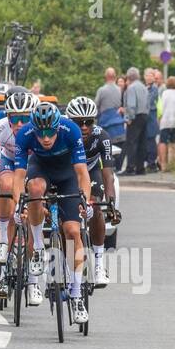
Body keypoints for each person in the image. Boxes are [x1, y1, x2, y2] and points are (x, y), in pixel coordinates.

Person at [16, 101, 92, 321]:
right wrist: (19, 205)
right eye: (41, 133)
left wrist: (84, 201)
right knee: (35, 188)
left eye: (50, 132)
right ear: (34, 130)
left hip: (67, 174)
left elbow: (82, 173)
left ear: (58, 127)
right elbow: (19, 177)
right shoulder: (25, 134)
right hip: (40, 169)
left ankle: (76, 294)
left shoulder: (71, 130)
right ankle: (39, 245)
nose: (46, 138)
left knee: (73, 232)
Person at [0, 88, 37, 293]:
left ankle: (33, 279)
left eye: (24, 119)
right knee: (2, 198)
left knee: (35, 205)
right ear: (7, 116)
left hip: (31, 163)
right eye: (14, 119)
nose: (18, 124)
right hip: (8, 161)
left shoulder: (37, 130)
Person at [65, 95, 114, 287]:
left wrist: (111, 202)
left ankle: (99, 265)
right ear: (70, 121)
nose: (84, 127)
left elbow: (108, 174)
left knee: (97, 209)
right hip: (68, 171)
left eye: (88, 122)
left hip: (91, 172)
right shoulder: (63, 134)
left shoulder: (101, 136)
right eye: (79, 122)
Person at [121, 67, 149, 176]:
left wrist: (128, 118)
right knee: (142, 143)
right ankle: (140, 168)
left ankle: (130, 168)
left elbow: (131, 105)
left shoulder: (131, 88)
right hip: (144, 116)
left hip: (135, 117)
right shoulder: (143, 87)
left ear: (128, 77)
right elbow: (147, 103)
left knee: (131, 143)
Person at [158, 75, 175, 170]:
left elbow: (160, 108)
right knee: (174, 141)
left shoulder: (164, 94)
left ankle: (163, 164)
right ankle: (174, 163)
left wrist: (159, 119)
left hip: (165, 121)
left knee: (163, 142)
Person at [142, 67, 160, 173]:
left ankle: (152, 163)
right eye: (147, 75)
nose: (148, 77)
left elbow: (149, 101)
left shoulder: (154, 88)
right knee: (146, 141)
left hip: (151, 116)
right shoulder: (145, 88)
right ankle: (148, 162)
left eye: (151, 75)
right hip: (146, 117)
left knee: (151, 140)